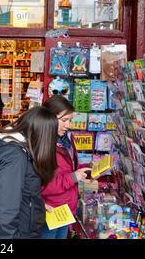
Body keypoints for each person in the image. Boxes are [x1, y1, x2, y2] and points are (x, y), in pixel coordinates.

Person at [0, 106, 59, 238]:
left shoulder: (13, 148)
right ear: (44, 135)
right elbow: (5, 211)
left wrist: (35, 204)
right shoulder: (14, 157)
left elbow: (13, 193)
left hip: (16, 227)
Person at [39, 95, 91, 239]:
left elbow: (70, 166)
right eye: (64, 120)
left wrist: (89, 169)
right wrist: (74, 177)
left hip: (66, 208)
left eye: (70, 120)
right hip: (50, 211)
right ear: (49, 118)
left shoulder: (66, 139)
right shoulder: (43, 146)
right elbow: (44, 185)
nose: (68, 125)